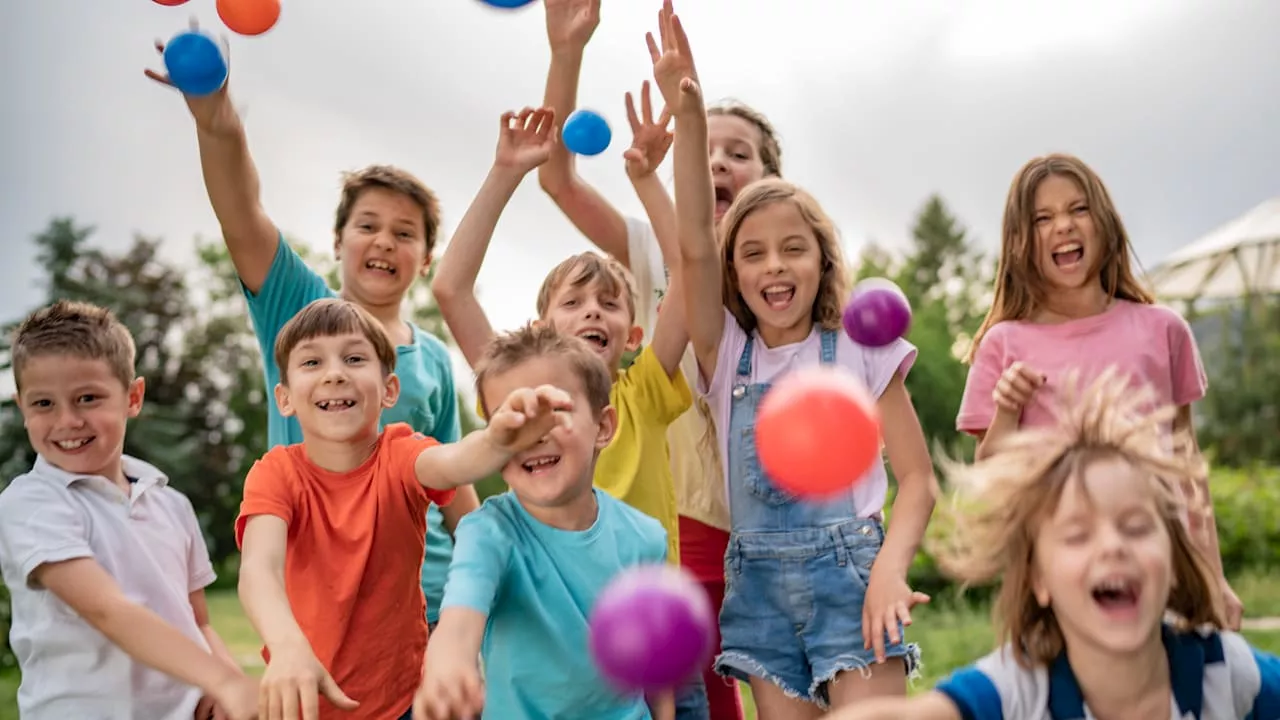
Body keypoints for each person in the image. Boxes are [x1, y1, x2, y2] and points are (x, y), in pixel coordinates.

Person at [144, 32, 478, 636]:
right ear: (338, 241)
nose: (383, 241)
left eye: (405, 234)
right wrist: (218, 122)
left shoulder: (432, 357)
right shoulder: (300, 309)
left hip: (426, 596)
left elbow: (453, 480)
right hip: (317, 596)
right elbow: (241, 211)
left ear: (426, 258)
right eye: (368, 225)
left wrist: (482, 579)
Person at [655, 2, 937, 715]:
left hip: (855, 583)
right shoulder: (725, 356)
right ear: (734, 274)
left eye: (793, 249)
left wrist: (888, 574)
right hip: (759, 594)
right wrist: (687, 116)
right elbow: (692, 242)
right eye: (752, 254)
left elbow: (917, 479)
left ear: (822, 258)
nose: (773, 268)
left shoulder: (862, 349)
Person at [540, 5, 785, 716]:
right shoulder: (647, 250)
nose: (718, 162)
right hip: (658, 520)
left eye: (739, 154)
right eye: (707, 148)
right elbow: (557, 180)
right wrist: (567, 52)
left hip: (757, 525)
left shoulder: (788, 272)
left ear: (769, 180)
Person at [826, 371, 1280, 720]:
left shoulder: (1224, 672)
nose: (1112, 546)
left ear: (1174, 562)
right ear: (1038, 579)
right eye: (1078, 535)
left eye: (1137, 527)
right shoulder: (1021, 689)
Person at [235, 299, 569, 720]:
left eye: (354, 358)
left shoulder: (401, 454)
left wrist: (497, 440)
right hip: (302, 704)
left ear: (389, 389)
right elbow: (257, 572)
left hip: (404, 703)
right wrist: (286, 646)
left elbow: (455, 461)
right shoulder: (275, 474)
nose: (334, 373)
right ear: (284, 398)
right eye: (312, 362)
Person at [955, 152, 1243, 629]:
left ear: (1105, 223)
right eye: (1042, 218)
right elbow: (990, 484)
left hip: (1162, 572)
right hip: (1056, 585)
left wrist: (1213, 576)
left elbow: (1188, 467)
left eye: (1078, 209)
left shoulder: (1163, 330)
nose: (1063, 226)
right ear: (1019, 242)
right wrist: (1007, 409)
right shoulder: (1003, 344)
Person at [430, 106, 691, 568]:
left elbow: (687, 274)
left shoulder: (646, 392)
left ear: (633, 337)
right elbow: (451, 289)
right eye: (572, 303)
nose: (592, 309)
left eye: (608, 304)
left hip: (643, 612)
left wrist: (648, 181)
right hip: (549, 603)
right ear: (541, 330)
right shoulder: (521, 391)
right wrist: (505, 173)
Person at [0, 300, 258, 720]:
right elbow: (108, 610)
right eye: (43, 404)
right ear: (21, 406)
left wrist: (230, 689)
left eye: (87, 398)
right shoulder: (30, 502)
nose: (67, 420)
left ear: (133, 397)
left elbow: (198, 622)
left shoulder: (171, 504)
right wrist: (223, 680)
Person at [414, 323, 673, 720]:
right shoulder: (487, 531)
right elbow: (462, 611)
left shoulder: (645, 538)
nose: (533, 436)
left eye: (553, 411)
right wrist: (448, 659)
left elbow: (654, 669)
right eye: (512, 420)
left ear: (603, 427)